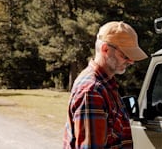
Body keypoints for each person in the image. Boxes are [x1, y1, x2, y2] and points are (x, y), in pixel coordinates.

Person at [63, 21, 148, 149]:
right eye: (125, 55)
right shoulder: (92, 91)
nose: (131, 62)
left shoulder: (106, 85)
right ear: (105, 49)